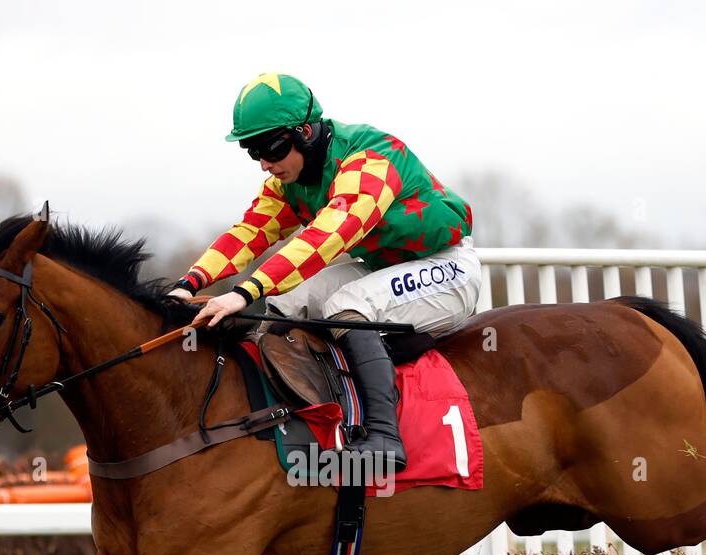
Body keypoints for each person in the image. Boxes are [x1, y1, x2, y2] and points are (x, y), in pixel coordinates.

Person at [171, 72, 482, 478]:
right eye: (252, 151)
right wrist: (187, 284)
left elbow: (326, 239)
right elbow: (248, 234)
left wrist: (243, 293)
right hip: (385, 270)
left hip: (448, 268)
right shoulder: (289, 181)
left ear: (305, 131)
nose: (265, 163)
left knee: (344, 305)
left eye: (270, 147)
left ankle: (385, 438)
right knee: (283, 305)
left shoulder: (370, 158)